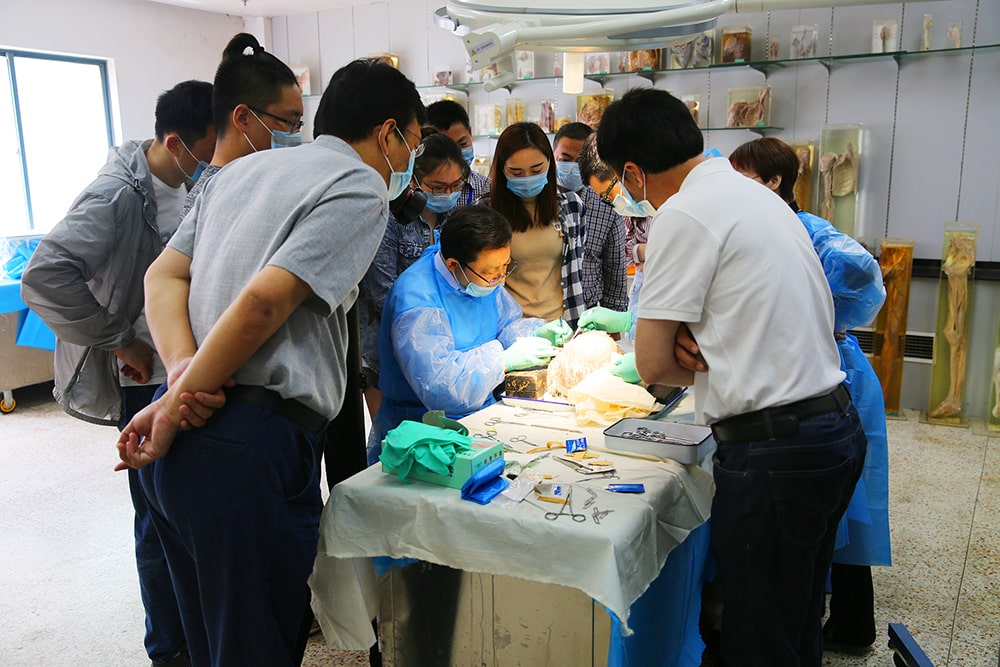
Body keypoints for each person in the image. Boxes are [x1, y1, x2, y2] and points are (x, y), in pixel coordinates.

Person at [114, 59, 425, 666]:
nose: (408, 162)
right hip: (246, 448)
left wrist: (180, 372)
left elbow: (163, 276)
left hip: (186, 451)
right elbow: (264, 302)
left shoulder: (239, 172)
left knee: (211, 643)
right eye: (412, 144)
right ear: (388, 134)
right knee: (257, 645)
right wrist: (178, 402)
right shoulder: (357, 186)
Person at [593, 88, 866, 667]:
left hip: (776, 453)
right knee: (793, 625)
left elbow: (653, 366)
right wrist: (700, 339)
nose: (624, 193)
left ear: (635, 173)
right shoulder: (752, 194)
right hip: (832, 430)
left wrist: (683, 348)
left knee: (760, 638)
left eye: (620, 179)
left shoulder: (685, 214)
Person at [21, 79, 215, 667]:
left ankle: (195, 632)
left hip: (179, 367)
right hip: (143, 380)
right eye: (206, 149)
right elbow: (45, 275)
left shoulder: (186, 183)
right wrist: (117, 339)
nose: (211, 162)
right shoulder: (115, 195)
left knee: (185, 513)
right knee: (157, 520)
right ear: (175, 141)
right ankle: (169, 648)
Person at [730, 136, 890, 654]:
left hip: (834, 373)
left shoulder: (802, 229)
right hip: (819, 376)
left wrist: (823, 313)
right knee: (832, 513)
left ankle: (849, 624)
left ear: (774, 182)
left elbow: (864, 274)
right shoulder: (766, 226)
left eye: (744, 177)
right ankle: (832, 624)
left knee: (841, 509)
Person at [368, 205, 560, 452]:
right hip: (425, 435)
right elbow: (440, 387)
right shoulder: (418, 302)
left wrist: (534, 333)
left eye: (505, 267)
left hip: (480, 419)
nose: (500, 279)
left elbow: (504, 325)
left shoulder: (478, 274)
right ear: (453, 265)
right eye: (491, 273)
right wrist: (502, 361)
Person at [359, 132, 470, 427]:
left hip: (445, 349)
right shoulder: (389, 220)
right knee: (396, 447)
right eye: (437, 187)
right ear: (413, 180)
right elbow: (384, 295)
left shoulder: (455, 219)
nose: (447, 193)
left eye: (455, 185)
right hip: (388, 355)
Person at [179, 32, 303, 220]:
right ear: (243, 118)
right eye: (289, 123)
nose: (294, 135)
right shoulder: (212, 201)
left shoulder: (251, 185)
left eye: (298, 124)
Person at [487, 122, 588, 328]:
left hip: (564, 326)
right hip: (510, 330)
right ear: (501, 169)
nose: (528, 179)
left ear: (550, 164)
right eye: (516, 172)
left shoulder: (571, 206)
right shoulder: (486, 212)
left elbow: (576, 269)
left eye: (536, 169)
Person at [577, 133, 649, 341]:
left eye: (608, 196)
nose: (614, 205)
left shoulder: (674, 211)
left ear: (629, 172)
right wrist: (630, 321)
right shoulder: (655, 209)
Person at [553, 122, 628, 313]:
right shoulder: (537, 200)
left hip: (590, 313)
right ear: (553, 157)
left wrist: (614, 320)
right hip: (544, 312)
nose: (573, 167)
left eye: (580, 162)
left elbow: (615, 267)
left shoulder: (606, 201)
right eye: (565, 159)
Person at [425, 99, 491, 208]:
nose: (457, 154)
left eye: (463, 143)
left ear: (470, 133)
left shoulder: (487, 189)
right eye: (447, 147)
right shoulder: (411, 193)